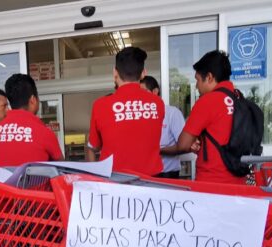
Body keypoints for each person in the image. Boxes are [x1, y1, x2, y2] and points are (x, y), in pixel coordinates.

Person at [87, 46, 164, 176]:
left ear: (114, 73)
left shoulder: (101, 105)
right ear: (143, 73)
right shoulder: (157, 103)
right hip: (152, 184)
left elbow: (93, 146)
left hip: (115, 185)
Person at [175, 50, 244, 184]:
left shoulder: (208, 101)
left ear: (209, 77)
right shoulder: (239, 98)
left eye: (198, 80)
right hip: (240, 180)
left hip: (212, 183)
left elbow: (183, 145)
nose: (196, 86)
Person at [0, 74, 63, 167]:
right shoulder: (43, 132)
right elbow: (62, 164)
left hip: (3, 181)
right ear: (33, 100)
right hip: (37, 182)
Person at [140, 75, 186, 179]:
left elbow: (184, 146)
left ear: (155, 91)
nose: (140, 97)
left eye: (143, 92)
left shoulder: (172, 113)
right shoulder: (139, 116)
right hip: (145, 176)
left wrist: (157, 150)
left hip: (168, 175)